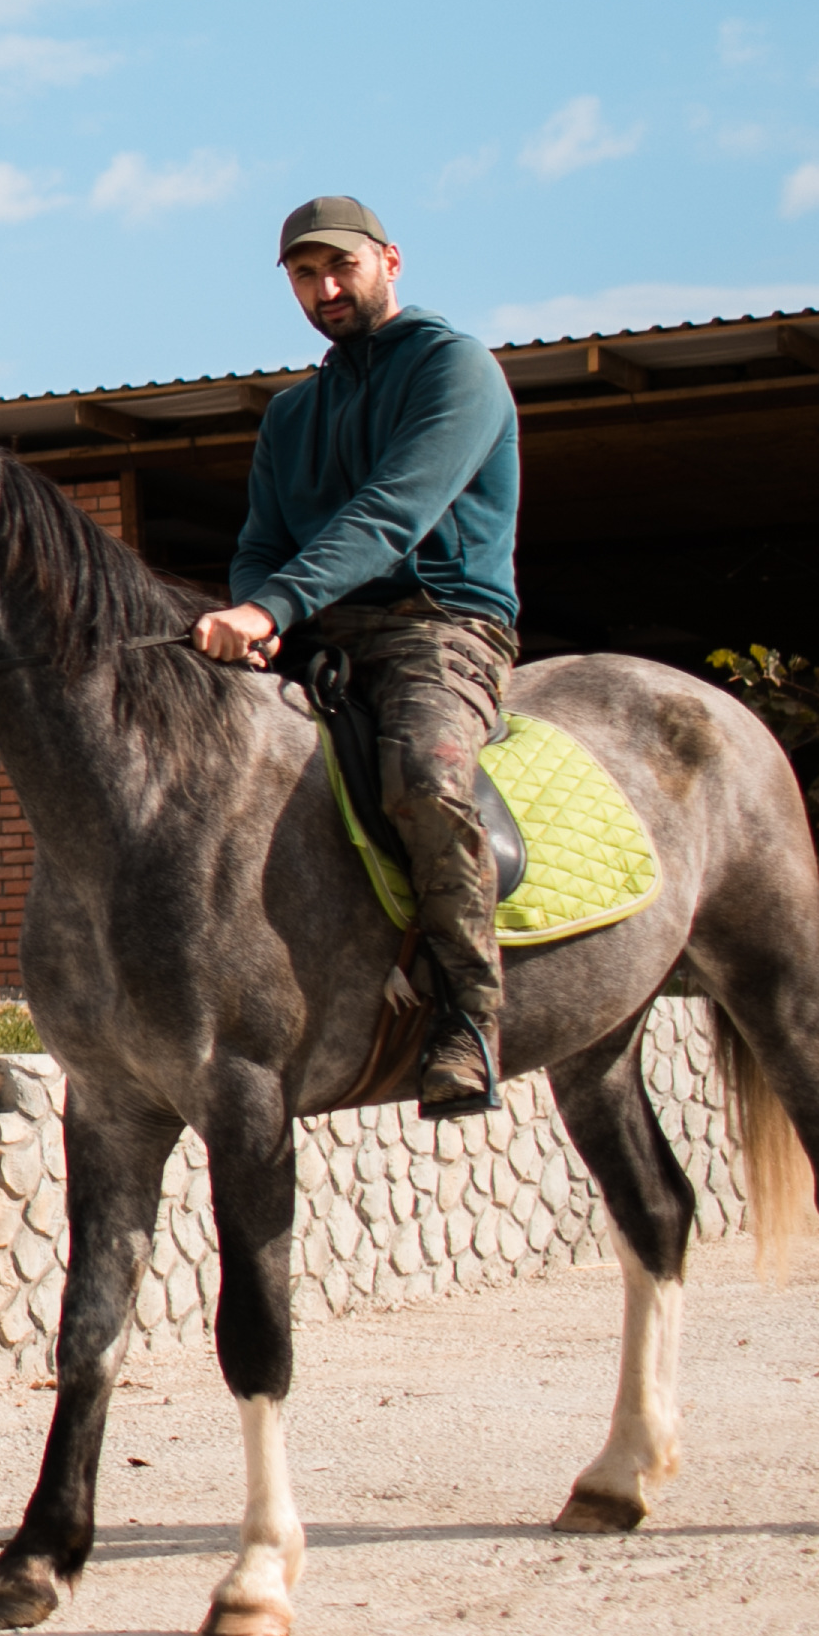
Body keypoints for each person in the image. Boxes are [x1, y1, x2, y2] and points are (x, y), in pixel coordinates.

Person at [191, 196, 526, 1116]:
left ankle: (469, 1019)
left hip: (441, 628)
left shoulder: (454, 370)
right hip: (321, 638)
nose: (325, 288)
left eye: (342, 267)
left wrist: (268, 609)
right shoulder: (293, 414)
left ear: (391, 260)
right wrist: (261, 618)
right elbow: (260, 542)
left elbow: (391, 515)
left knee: (421, 779)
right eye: (305, 274)